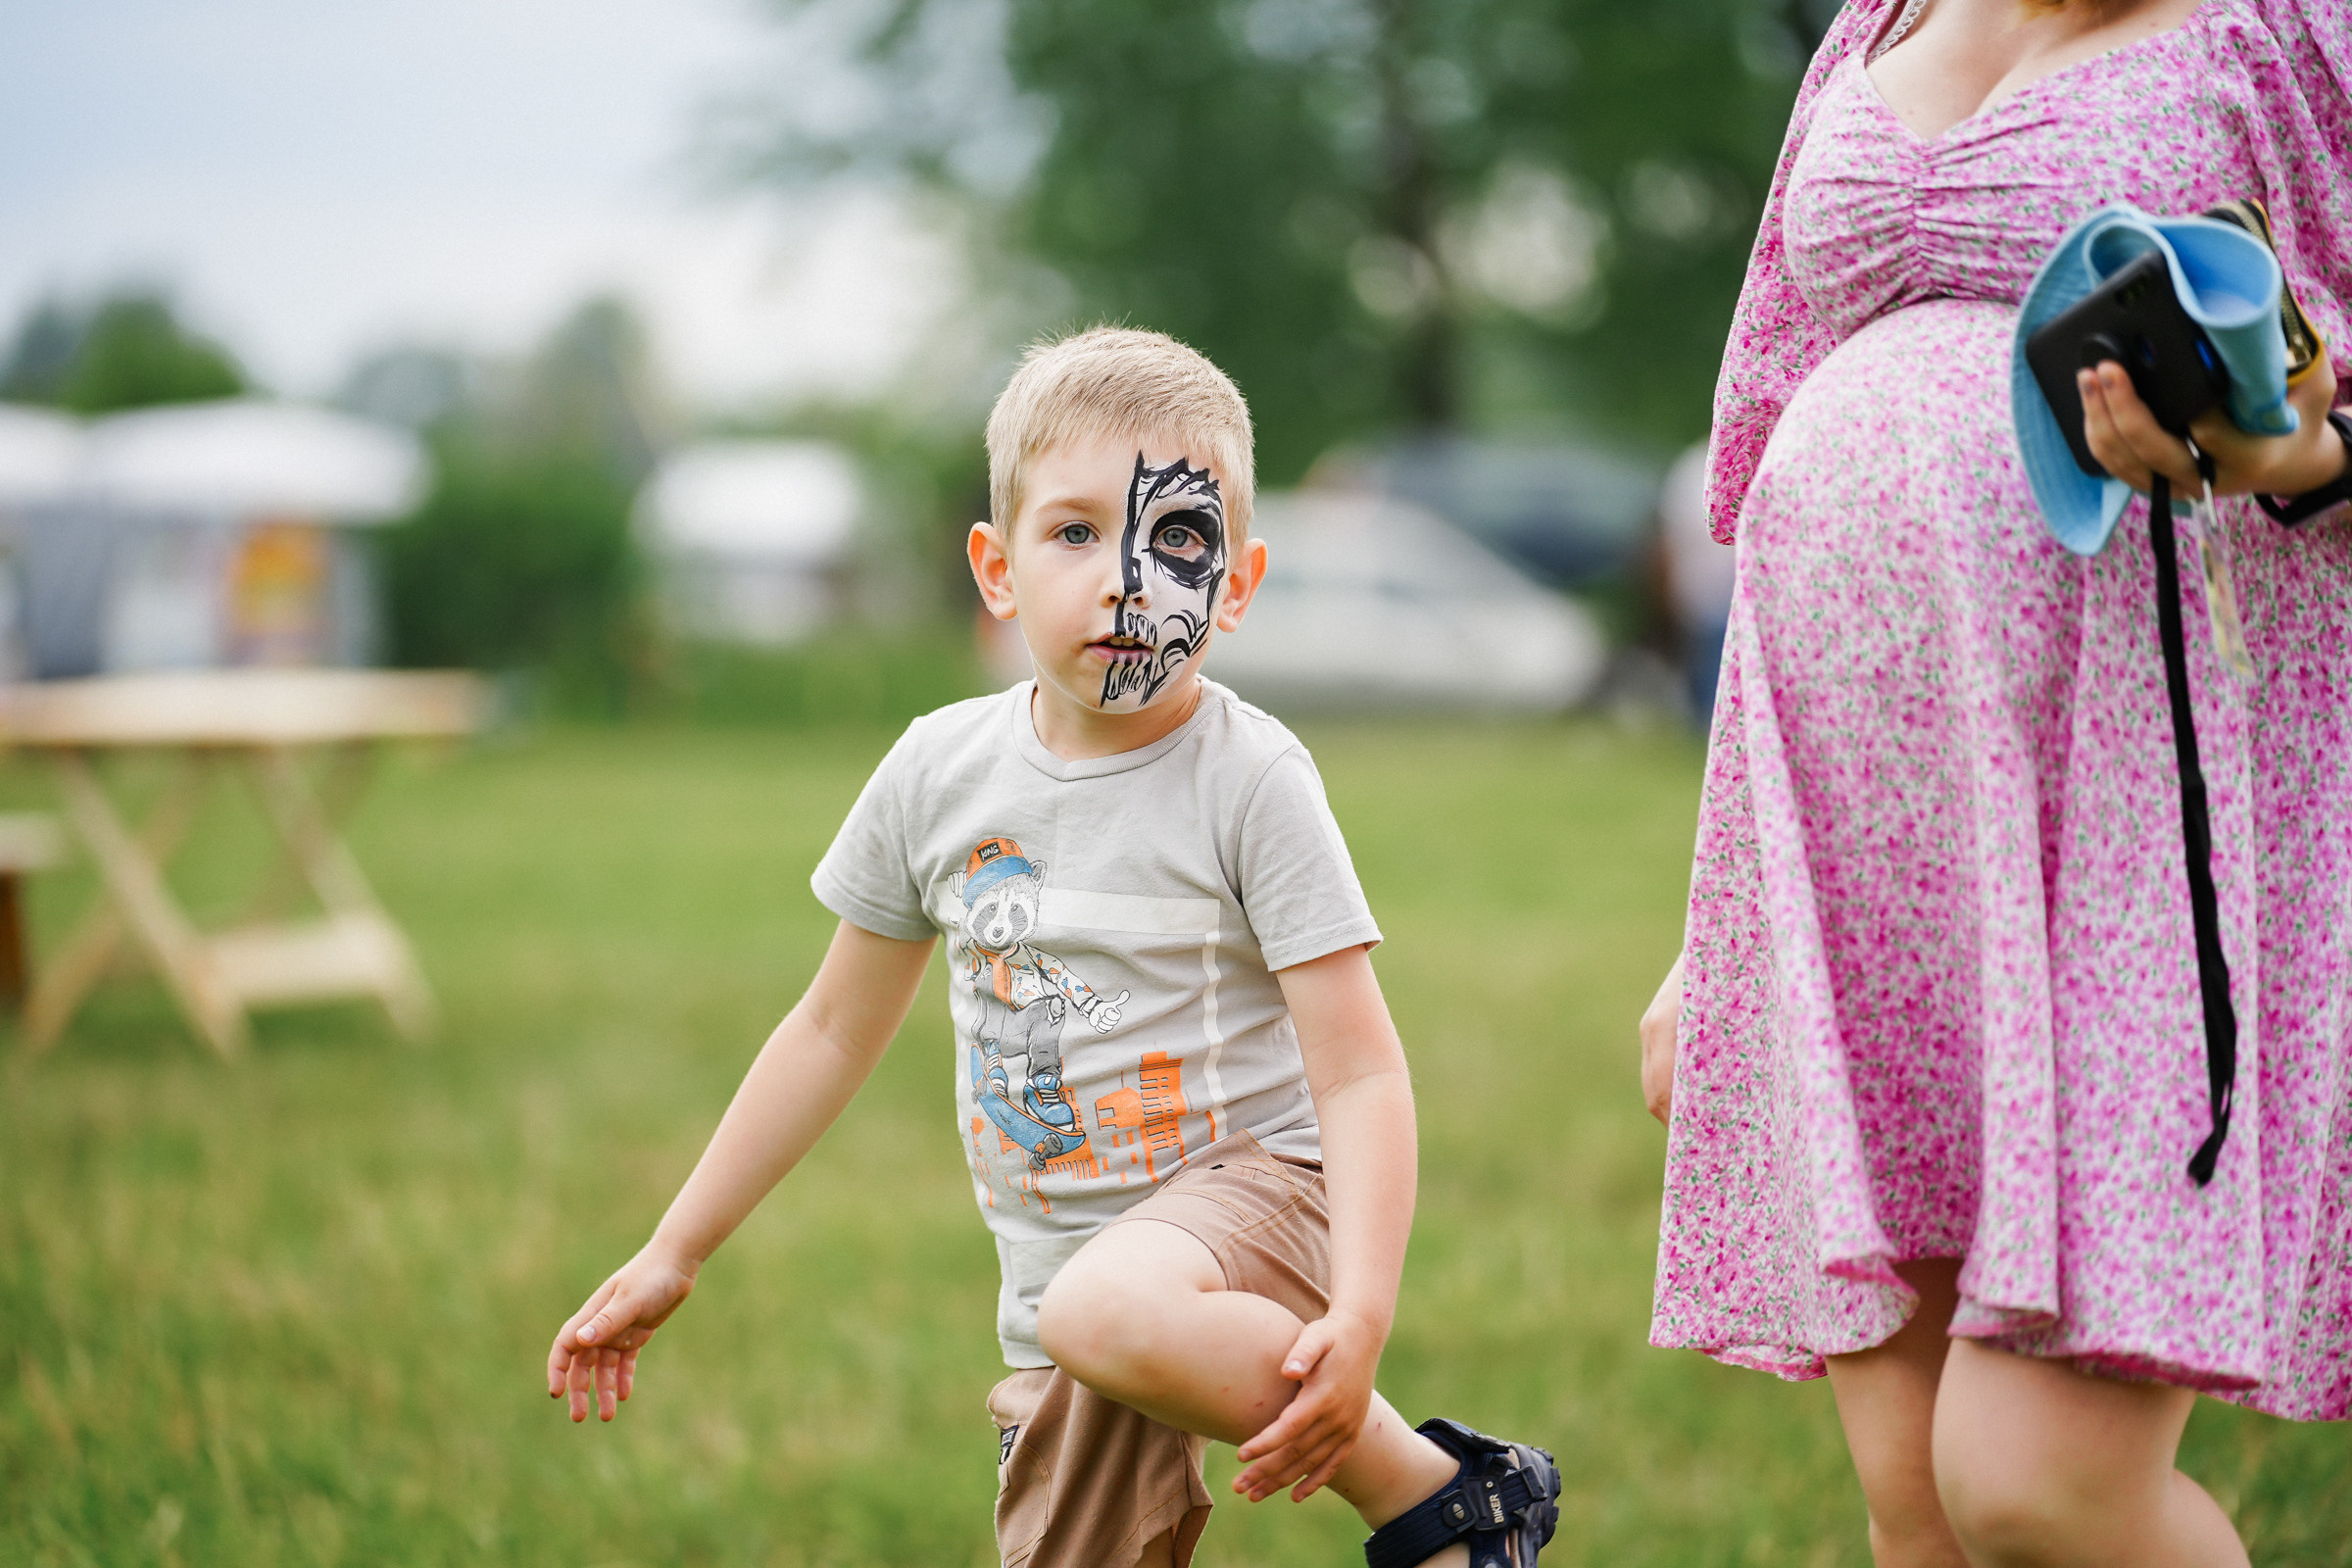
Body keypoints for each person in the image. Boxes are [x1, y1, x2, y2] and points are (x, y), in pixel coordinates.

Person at [546, 327, 1561, 1568]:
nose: (1125, 581)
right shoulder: (937, 774)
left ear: (1236, 585)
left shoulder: (1250, 779)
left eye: (1174, 540)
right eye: (1076, 532)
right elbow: (828, 1028)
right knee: (1080, 1391)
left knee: (1107, 1301)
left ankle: (1434, 1491)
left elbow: (1358, 1069)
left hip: (1260, 1199)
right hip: (1061, 1290)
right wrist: (675, 1247)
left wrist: (1360, 1309)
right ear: (996, 567)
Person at [1639, 0, 2352, 1563]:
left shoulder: (2284, 31)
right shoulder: (1875, 25)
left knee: (2041, 1490)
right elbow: (1763, 455)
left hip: (2133, 834)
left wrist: (2301, 458)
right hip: (1862, 846)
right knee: (1917, 1505)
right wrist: (1723, 938)